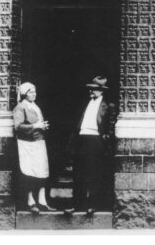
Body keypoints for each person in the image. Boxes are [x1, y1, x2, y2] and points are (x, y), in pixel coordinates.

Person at [64, 76, 116, 216]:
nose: (90, 92)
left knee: (94, 173)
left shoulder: (108, 106)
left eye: (93, 89)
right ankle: (76, 204)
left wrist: (104, 139)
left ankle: (92, 205)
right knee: (78, 173)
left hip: (96, 141)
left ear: (101, 91)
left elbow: (111, 127)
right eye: (90, 89)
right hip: (82, 140)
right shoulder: (85, 103)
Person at [13, 82, 56, 214]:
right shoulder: (20, 107)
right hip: (27, 144)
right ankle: (30, 201)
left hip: (39, 142)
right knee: (29, 172)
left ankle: (42, 201)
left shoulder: (35, 107)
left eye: (35, 92)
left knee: (42, 171)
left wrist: (42, 126)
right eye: (31, 92)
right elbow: (18, 126)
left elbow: (38, 124)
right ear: (25, 94)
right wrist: (36, 126)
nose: (34, 94)